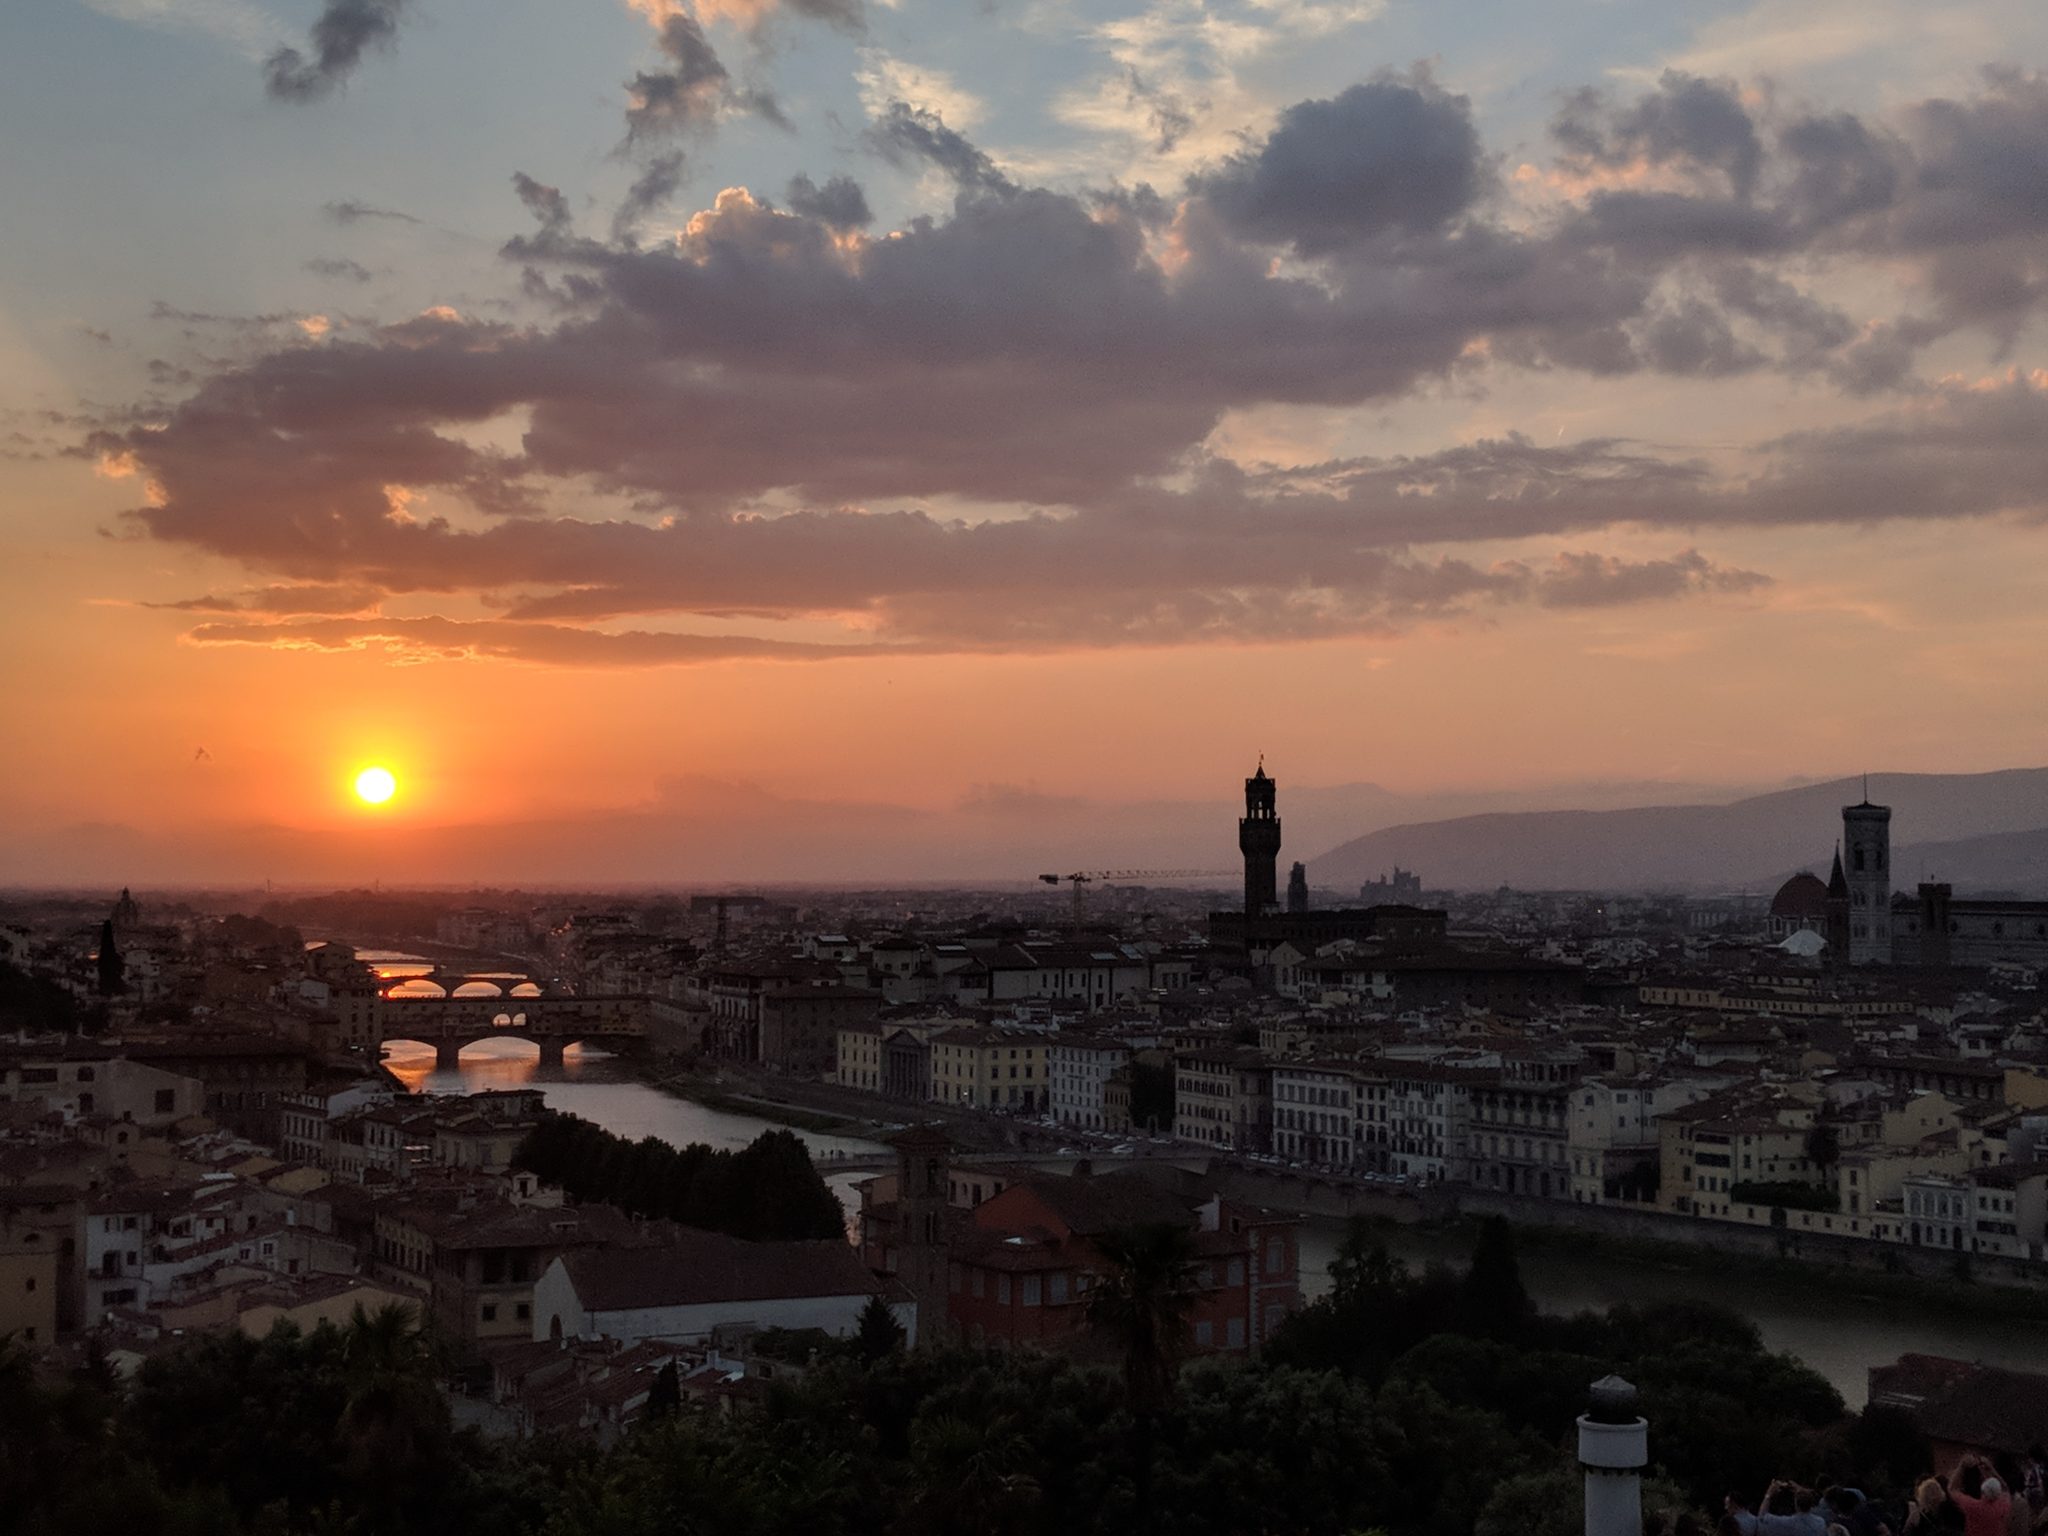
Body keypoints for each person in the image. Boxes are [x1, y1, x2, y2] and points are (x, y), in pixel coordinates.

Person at [1951, 1457, 2014, 1536]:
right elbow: (2006, 1489)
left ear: (1982, 1490)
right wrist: (1991, 1469)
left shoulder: (1973, 1506)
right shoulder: (2003, 1506)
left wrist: (1961, 1466)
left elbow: (1952, 1489)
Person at [1756, 1482, 1829, 1536]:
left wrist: (1769, 1494)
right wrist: (1802, 1491)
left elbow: (1762, 1518)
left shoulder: (1788, 1523)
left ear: (1796, 1504)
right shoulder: (1820, 1523)